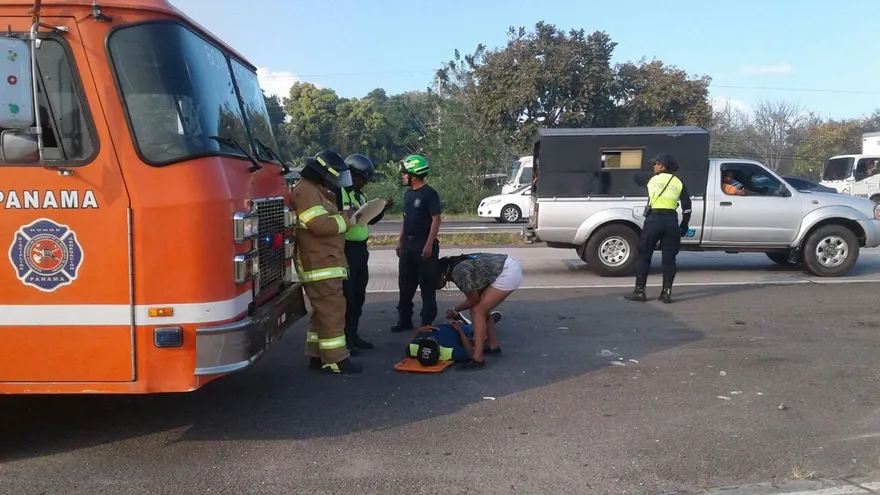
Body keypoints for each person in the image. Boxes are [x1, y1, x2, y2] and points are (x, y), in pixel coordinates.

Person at [289, 150, 362, 374]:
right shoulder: (307, 192)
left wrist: (342, 215)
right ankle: (336, 359)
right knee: (333, 311)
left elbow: (323, 219)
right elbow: (320, 225)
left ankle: (316, 354)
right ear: (322, 173)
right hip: (320, 265)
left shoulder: (313, 191)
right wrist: (346, 221)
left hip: (324, 262)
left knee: (322, 312)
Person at [335, 153, 393, 355]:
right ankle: (345, 341)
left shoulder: (360, 195)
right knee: (348, 297)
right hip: (346, 249)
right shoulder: (339, 193)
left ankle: (353, 335)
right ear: (351, 175)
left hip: (361, 251)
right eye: (363, 178)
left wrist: (382, 210)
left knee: (358, 296)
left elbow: (367, 220)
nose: (365, 183)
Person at [625, 152, 692, 304]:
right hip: (671, 222)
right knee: (669, 259)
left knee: (644, 255)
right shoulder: (679, 182)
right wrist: (684, 224)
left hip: (654, 220)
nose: (653, 166)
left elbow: (636, 178)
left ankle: (639, 292)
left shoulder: (652, 179)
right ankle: (666, 293)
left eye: (655, 164)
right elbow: (687, 207)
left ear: (662, 165)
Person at [437, 252, 523, 369]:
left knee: (477, 311)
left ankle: (478, 358)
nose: (435, 287)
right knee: (482, 309)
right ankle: (493, 346)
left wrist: (455, 310)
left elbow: (473, 299)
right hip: (504, 265)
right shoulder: (453, 265)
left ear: (442, 275)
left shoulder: (458, 272)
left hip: (507, 272)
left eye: (434, 283)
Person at [391, 154, 442, 333]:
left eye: (405, 173)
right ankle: (404, 320)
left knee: (427, 286)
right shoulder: (408, 194)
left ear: (412, 175)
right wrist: (400, 241)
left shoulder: (429, 194)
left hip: (423, 244)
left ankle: (426, 323)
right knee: (405, 285)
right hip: (408, 245)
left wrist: (428, 245)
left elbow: (436, 219)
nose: (402, 176)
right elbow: (406, 219)